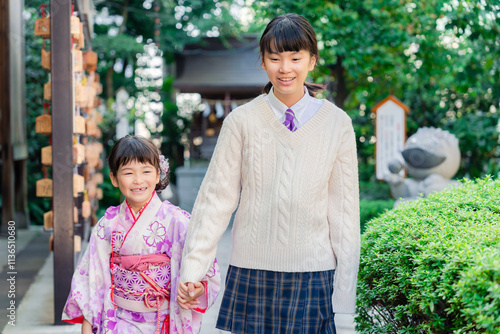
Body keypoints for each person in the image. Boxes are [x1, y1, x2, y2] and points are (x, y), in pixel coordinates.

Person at [178, 13, 360, 334]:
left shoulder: (337, 123)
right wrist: (193, 270)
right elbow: (216, 200)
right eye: (274, 58)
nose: (285, 68)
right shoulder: (241, 121)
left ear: (312, 60)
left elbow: (344, 211)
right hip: (251, 268)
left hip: (313, 271)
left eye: (295, 58)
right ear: (262, 61)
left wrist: (344, 291)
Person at [62, 135, 221, 334]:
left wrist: (195, 286)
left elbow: (201, 262)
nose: (138, 180)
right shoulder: (107, 225)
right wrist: (88, 326)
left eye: (146, 171)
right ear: (114, 178)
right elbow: (92, 281)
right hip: (120, 321)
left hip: (164, 320)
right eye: (128, 173)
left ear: (157, 175)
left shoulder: (177, 221)